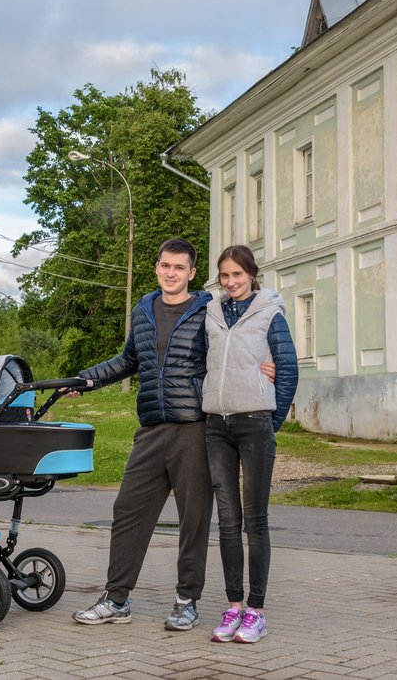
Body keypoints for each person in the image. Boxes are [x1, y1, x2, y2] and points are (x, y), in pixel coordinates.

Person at [71, 237, 273, 631]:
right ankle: (116, 599)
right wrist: (88, 378)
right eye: (165, 265)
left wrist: (270, 365)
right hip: (150, 428)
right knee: (128, 511)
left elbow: (241, 341)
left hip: (195, 429)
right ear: (157, 267)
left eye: (179, 267)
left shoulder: (208, 310)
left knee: (193, 518)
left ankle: (186, 601)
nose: (171, 273)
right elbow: (129, 359)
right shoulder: (143, 309)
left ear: (192, 273)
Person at [202, 245, 298, 644]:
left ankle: (256, 611)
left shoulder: (269, 313)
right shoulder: (211, 313)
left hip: (255, 424)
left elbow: (288, 368)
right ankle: (233, 607)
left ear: (252, 275)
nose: (230, 283)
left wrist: (269, 420)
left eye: (237, 275)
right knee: (227, 522)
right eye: (224, 276)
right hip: (216, 427)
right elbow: (199, 362)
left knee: (255, 522)